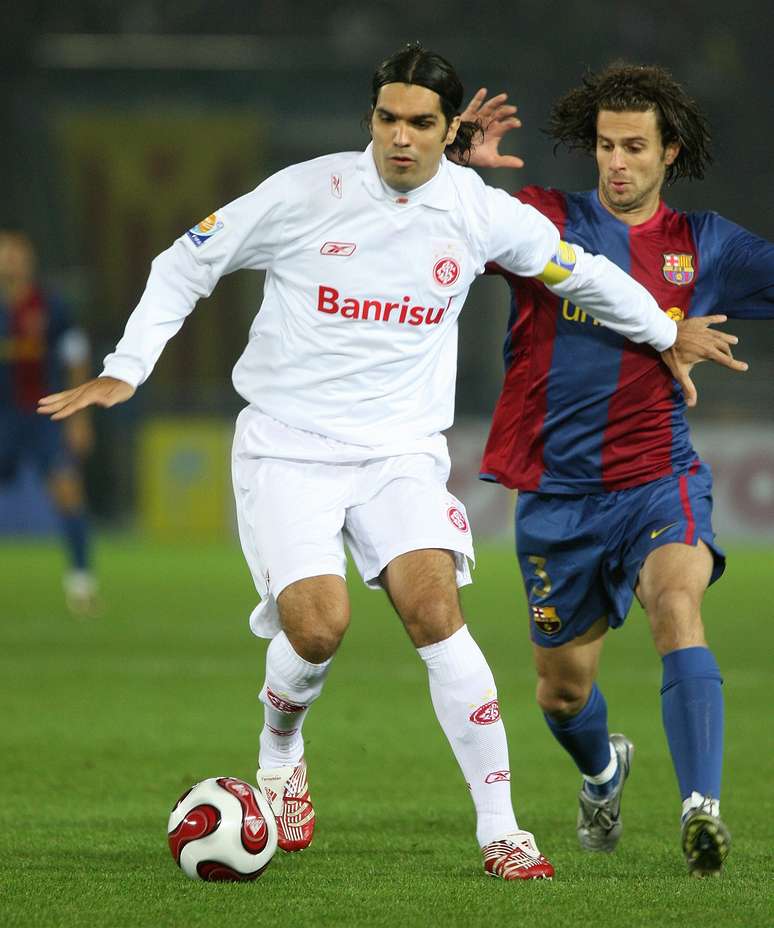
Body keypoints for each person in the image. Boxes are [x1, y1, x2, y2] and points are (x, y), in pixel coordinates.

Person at [38, 46, 742, 881]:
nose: (399, 139)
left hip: (400, 453)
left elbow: (578, 272)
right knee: (318, 625)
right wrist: (128, 365)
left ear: (450, 131)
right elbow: (188, 260)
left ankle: (502, 830)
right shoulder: (308, 193)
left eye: (419, 123)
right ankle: (280, 753)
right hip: (289, 447)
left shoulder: (476, 211)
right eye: (386, 119)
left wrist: (665, 333)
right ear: (370, 118)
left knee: (435, 609)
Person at [463, 63, 772, 876]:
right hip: (557, 499)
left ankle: (700, 809)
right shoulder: (544, 220)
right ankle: (604, 772)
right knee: (562, 694)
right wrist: (457, 168)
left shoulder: (705, 244)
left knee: (678, 604)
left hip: (656, 482)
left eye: (635, 146)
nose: (617, 162)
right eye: (605, 146)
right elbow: (435, 224)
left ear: (669, 151)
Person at [0, 231, 99, 617]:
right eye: (5, 253)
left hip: (44, 414)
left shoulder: (51, 306)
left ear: (30, 260)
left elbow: (75, 355)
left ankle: (81, 583)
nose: (11, 260)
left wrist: (79, 416)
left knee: (68, 491)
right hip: (3, 415)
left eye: (18, 253)